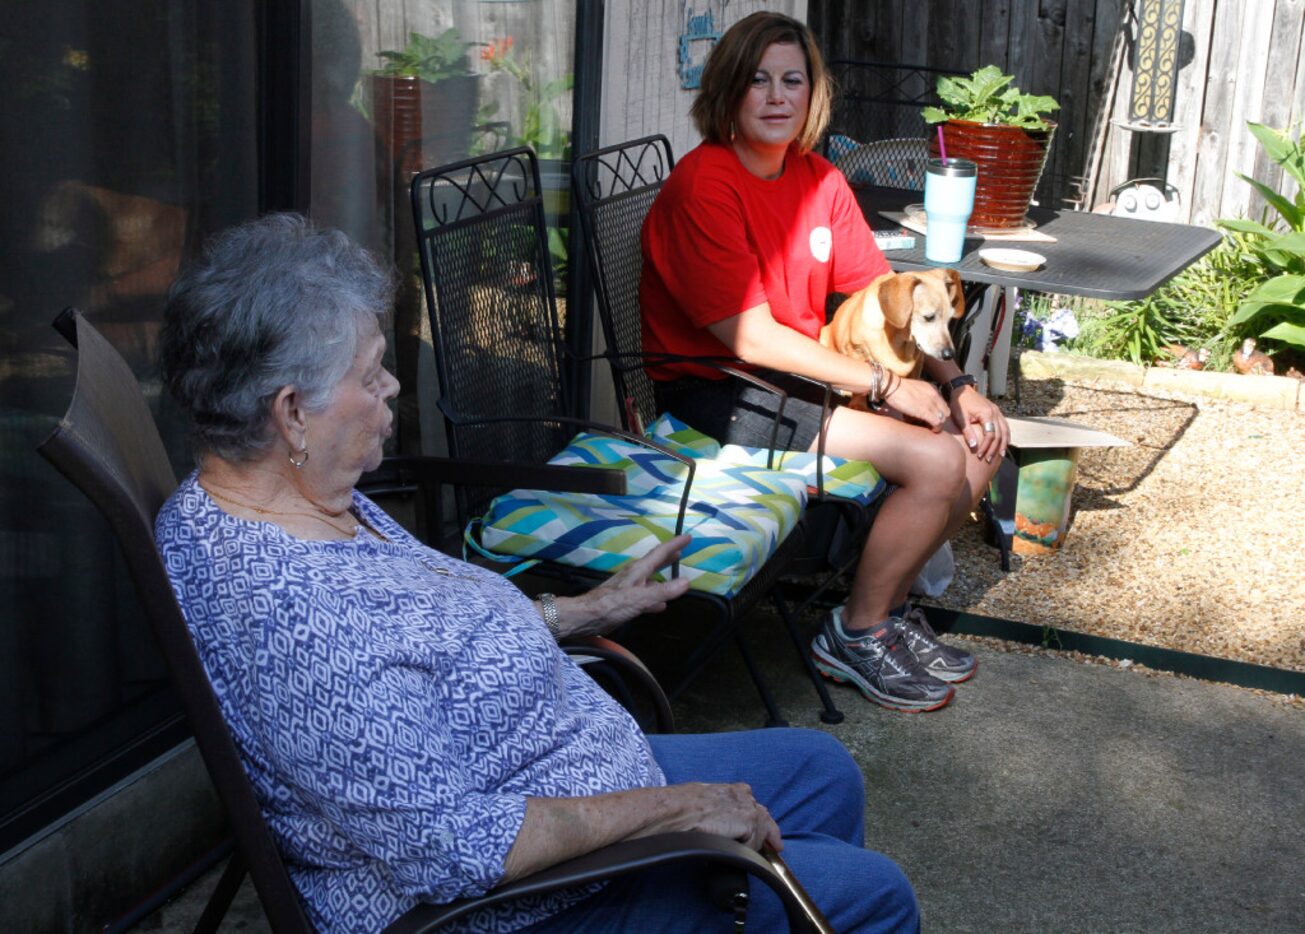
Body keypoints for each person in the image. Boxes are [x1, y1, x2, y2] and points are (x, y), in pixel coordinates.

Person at [154, 213, 919, 932]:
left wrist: (578, 614)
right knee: (872, 894)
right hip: (528, 905)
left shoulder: (274, 492)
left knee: (822, 770)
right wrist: (670, 808)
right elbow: (451, 848)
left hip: (542, 770)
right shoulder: (296, 616)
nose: (390, 388)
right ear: (291, 413)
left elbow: (415, 650)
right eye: (372, 372)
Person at [641, 12, 1010, 713]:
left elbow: (886, 297)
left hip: (800, 380)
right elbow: (749, 340)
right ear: (725, 90)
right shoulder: (704, 187)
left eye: (792, 80)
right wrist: (883, 387)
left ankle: (891, 612)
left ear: (813, 95)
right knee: (934, 460)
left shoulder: (814, 177)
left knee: (980, 439)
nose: (777, 97)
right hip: (719, 391)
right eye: (758, 81)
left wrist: (957, 385)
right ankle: (855, 633)